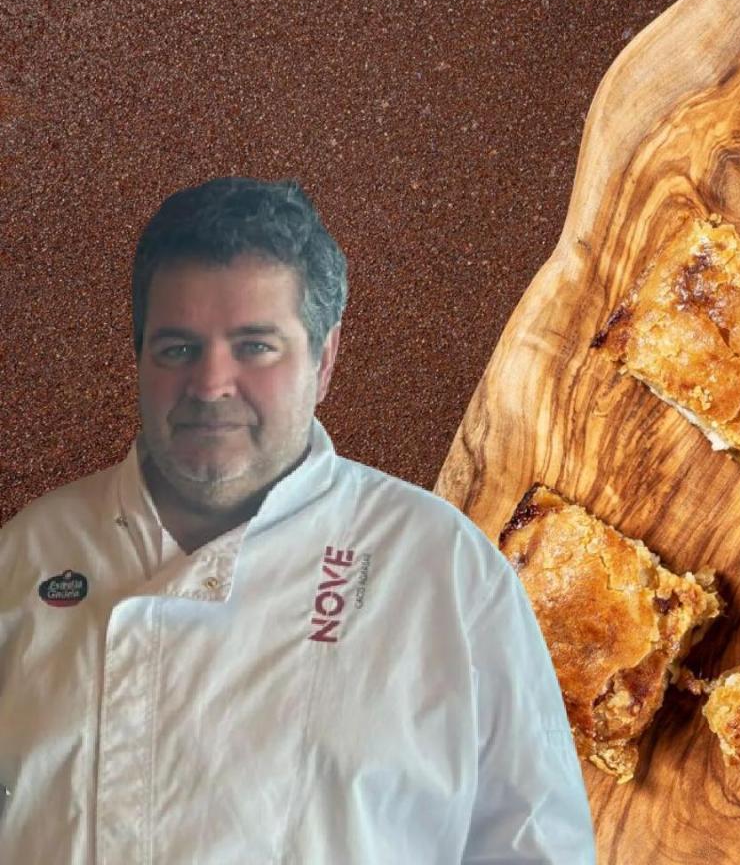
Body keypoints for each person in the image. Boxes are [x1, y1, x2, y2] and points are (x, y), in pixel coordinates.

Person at [0, 178, 596, 863]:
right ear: (138, 356)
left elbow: (536, 848)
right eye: (177, 348)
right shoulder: (30, 554)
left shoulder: (438, 565)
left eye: (255, 346)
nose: (211, 384)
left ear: (325, 359)